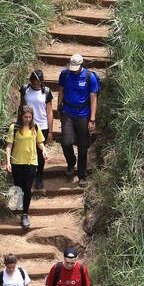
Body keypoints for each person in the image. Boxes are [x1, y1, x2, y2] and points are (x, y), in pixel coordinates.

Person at [57, 52, 99, 186]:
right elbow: (61, 90)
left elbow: (93, 98)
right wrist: (59, 107)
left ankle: (82, 175)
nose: (74, 71)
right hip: (68, 113)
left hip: (83, 115)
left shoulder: (89, 77)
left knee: (83, 146)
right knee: (66, 142)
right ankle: (71, 163)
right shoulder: (65, 74)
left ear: (81, 65)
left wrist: (92, 119)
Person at [5, 103, 47, 230]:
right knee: (18, 186)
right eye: (25, 117)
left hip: (31, 162)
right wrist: (7, 162)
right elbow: (8, 146)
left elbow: (40, 142)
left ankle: (25, 214)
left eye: (30, 117)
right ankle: (16, 205)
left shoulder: (35, 127)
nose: (28, 119)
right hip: (17, 162)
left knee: (27, 188)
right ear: (21, 116)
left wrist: (44, 150)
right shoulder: (14, 128)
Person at [22, 69, 54, 190]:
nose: (36, 85)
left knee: (40, 153)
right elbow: (21, 106)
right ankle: (28, 176)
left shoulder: (46, 91)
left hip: (42, 126)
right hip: (27, 125)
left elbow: (49, 111)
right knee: (27, 151)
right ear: (30, 81)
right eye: (34, 83)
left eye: (38, 83)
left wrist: (51, 130)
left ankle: (39, 176)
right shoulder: (25, 89)